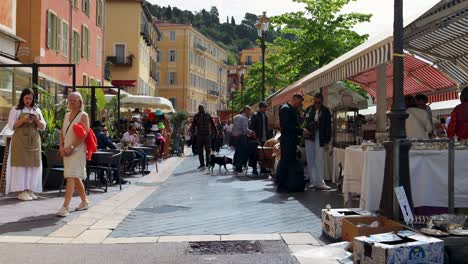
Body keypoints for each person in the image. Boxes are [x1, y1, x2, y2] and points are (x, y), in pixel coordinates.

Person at [5, 88, 46, 201]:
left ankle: (30, 189)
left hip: (33, 140)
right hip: (20, 141)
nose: (28, 100)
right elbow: (11, 126)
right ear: (22, 98)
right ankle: (20, 191)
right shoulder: (16, 109)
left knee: (33, 164)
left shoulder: (36, 109)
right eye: (26, 98)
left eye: (30, 98)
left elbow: (43, 127)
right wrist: (23, 119)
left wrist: (37, 120)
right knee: (20, 165)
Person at [57, 92, 89, 217]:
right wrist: (61, 147)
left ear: (80, 102)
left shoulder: (83, 115)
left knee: (70, 176)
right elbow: (61, 133)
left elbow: (84, 134)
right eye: (70, 100)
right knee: (75, 177)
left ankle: (65, 207)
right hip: (66, 149)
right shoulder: (66, 115)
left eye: (75, 100)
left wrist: (71, 147)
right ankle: (85, 201)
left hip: (77, 150)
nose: (72, 102)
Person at [276, 94, 310, 193]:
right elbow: (286, 126)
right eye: (299, 102)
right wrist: (301, 131)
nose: (300, 105)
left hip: (290, 140)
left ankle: (286, 184)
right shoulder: (286, 109)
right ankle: (281, 185)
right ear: (295, 100)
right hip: (287, 141)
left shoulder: (290, 109)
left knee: (287, 162)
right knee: (285, 162)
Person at [303, 93, 332, 190]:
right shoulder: (309, 109)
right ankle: (313, 181)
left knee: (319, 159)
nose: (316, 104)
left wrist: (327, 140)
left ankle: (320, 182)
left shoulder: (326, 111)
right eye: (315, 102)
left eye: (318, 102)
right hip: (310, 136)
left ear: (322, 101)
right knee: (310, 158)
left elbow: (328, 126)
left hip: (321, 136)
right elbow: (304, 122)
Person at [190, 105, 217, 169]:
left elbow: (212, 123)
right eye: (199, 108)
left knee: (208, 150)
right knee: (200, 150)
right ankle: (202, 164)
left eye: (201, 108)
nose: (200, 109)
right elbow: (193, 125)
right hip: (199, 136)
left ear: (203, 108)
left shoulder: (208, 115)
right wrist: (192, 132)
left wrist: (215, 131)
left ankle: (208, 163)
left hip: (207, 135)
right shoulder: (196, 116)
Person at [249, 101, 271, 175]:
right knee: (255, 154)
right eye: (264, 108)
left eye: (266, 108)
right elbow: (252, 127)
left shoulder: (265, 116)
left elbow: (266, 127)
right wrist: (255, 137)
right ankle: (254, 169)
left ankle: (263, 168)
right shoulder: (255, 115)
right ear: (260, 108)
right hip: (257, 138)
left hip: (264, 138)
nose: (265, 109)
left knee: (263, 154)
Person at [232, 106, 255, 174]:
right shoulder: (244, 118)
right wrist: (251, 132)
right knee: (242, 152)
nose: (250, 113)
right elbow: (244, 130)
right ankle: (239, 167)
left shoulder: (236, 117)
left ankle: (236, 165)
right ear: (246, 110)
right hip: (242, 136)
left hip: (235, 136)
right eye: (249, 111)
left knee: (238, 151)